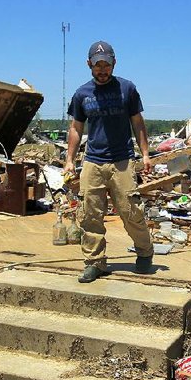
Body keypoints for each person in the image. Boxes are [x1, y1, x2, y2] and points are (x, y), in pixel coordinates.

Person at [64, 40, 154, 283]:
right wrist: (70, 159)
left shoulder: (127, 89)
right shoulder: (82, 93)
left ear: (114, 63)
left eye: (106, 64)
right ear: (89, 65)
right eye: (97, 65)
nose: (102, 69)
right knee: (89, 214)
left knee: (130, 211)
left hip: (122, 160)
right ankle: (95, 262)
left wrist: (145, 154)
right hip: (93, 161)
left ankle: (145, 253)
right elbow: (76, 128)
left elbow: (138, 123)